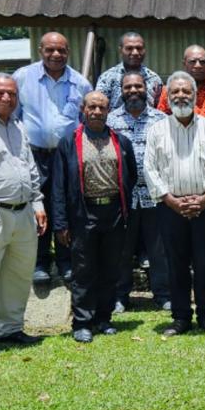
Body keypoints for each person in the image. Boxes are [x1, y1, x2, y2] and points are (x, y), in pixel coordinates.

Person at [144, 72, 205, 335]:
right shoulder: (157, 130)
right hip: (171, 209)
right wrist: (171, 201)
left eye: (186, 92)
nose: (181, 95)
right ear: (167, 97)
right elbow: (150, 169)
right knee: (176, 263)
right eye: (175, 92)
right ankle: (181, 317)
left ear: (195, 96)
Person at [52, 91, 137, 342]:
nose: (97, 112)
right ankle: (82, 322)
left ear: (109, 110)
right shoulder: (69, 142)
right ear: (83, 109)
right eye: (92, 107)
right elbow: (58, 186)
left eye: (102, 107)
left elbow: (130, 177)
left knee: (110, 269)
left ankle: (104, 318)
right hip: (82, 213)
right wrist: (61, 223)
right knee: (83, 270)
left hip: (113, 213)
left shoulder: (121, 142)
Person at [13, 31, 92, 284]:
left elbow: (84, 123)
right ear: (40, 51)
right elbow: (13, 117)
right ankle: (40, 262)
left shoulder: (80, 84)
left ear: (69, 52)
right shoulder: (23, 78)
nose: (56, 55)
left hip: (67, 154)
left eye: (61, 50)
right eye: (50, 50)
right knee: (38, 206)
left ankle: (66, 261)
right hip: (33, 154)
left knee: (67, 207)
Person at [106, 72, 170, 312]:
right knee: (122, 250)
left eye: (138, 86)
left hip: (155, 195)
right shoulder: (111, 120)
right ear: (121, 91)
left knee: (159, 249)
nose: (133, 90)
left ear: (147, 89)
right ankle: (120, 296)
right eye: (128, 87)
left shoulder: (161, 119)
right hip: (123, 197)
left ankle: (163, 295)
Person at [0, 73, 47, 345]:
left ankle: (10, 328)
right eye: (0, 92)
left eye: (12, 94)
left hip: (24, 212)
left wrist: (38, 202)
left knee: (18, 274)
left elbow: (30, 169)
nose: (6, 97)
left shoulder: (18, 127)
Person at [158, 45, 205, 127]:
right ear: (184, 63)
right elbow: (162, 118)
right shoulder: (170, 90)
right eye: (192, 61)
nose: (198, 66)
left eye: (202, 62)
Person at [96, 32, 163, 110]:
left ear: (144, 50)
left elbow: (159, 109)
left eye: (139, 48)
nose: (135, 52)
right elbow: (99, 107)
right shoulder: (107, 78)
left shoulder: (154, 79)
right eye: (129, 48)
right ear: (120, 50)